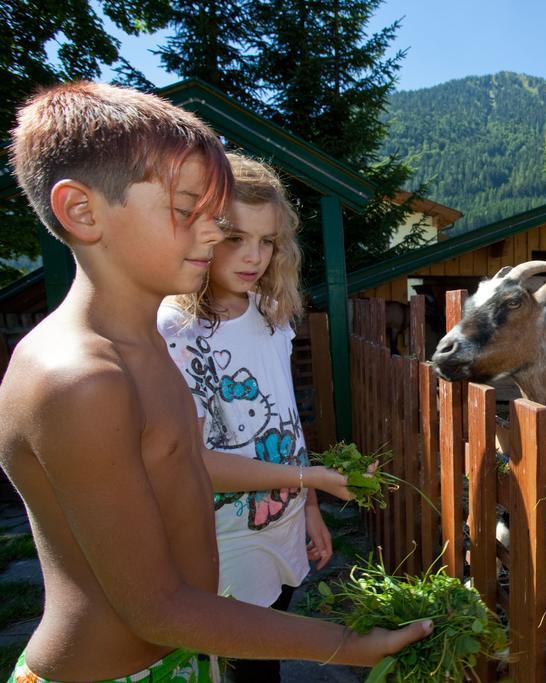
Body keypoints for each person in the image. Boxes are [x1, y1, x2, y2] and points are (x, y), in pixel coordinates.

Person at [0, 81, 429, 683]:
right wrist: (345, 645)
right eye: (187, 210)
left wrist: (301, 497)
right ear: (82, 211)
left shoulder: (141, 341)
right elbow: (158, 608)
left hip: (178, 659)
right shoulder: (80, 380)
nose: (211, 232)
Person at [157, 153, 332, 682]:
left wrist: (309, 506)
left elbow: (288, 421)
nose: (253, 256)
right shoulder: (174, 329)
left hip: (283, 521)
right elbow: (192, 461)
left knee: (268, 647)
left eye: (267, 241)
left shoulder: (271, 315)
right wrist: (307, 480)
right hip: (222, 537)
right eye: (235, 237)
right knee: (243, 665)